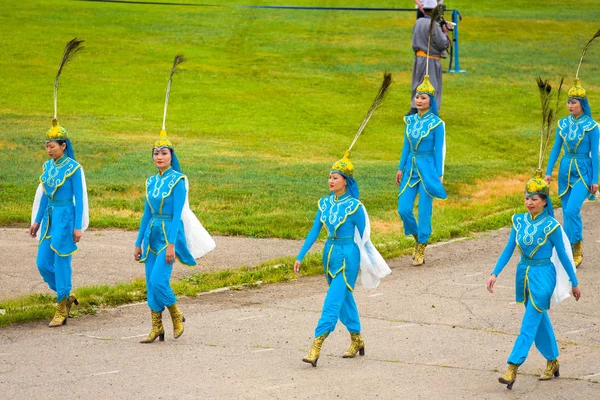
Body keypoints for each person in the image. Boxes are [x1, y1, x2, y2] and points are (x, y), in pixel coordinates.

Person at [294, 151, 391, 367]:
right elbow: (313, 231)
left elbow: (363, 237)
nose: (330, 180)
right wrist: (300, 256)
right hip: (329, 255)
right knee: (345, 299)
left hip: (348, 256)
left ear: (345, 182)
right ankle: (357, 340)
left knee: (332, 301)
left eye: (335, 177)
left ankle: (316, 346)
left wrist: (366, 261)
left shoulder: (355, 207)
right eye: (329, 176)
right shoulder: (324, 204)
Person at [486, 174, 581, 390]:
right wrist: (495, 273)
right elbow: (509, 248)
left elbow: (565, 256)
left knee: (528, 324)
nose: (529, 202)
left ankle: (512, 366)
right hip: (524, 275)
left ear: (545, 201)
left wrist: (574, 282)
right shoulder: (518, 221)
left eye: (535, 199)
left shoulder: (551, 225)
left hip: (544, 276)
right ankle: (553, 359)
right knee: (539, 320)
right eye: (527, 198)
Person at [29, 38, 88, 328]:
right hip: (51, 219)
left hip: (66, 218)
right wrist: (37, 221)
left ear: (63, 145)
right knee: (43, 263)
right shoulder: (47, 167)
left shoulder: (73, 168)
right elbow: (43, 196)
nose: (48, 149)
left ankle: (62, 306)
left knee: (63, 263)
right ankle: (65, 295)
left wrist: (78, 226)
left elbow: (78, 198)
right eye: (46, 145)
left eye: (52, 145)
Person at [544, 78, 599, 267]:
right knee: (566, 214)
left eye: (573, 102)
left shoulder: (592, 127)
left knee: (572, 209)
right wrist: (549, 171)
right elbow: (555, 149)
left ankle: (576, 245)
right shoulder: (563, 125)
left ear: (582, 104)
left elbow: (595, 155)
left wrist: (595, 179)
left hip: (583, 171)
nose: (570, 105)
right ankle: (567, 248)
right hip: (565, 171)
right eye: (568, 102)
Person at [396, 75, 446, 266]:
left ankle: (422, 245)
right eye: (417, 96)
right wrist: (400, 167)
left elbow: (438, 150)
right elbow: (405, 147)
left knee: (425, 210)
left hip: (428, 170)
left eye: (423, 97)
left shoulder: (437, 124)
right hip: (410, 169)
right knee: (404, 209)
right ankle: (418, 237)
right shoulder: (409, 121)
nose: (419, 100)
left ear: (431, 101)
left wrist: (439, 174)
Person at [408, 1, 449, 115]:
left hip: (419, 58)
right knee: (431, 86)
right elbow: (442, 44)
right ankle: (427, 111)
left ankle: (414, 107)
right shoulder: (433, 25)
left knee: (418, 83)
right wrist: (445, 32)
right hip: (430, 60)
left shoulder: (418, 21)